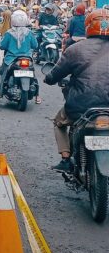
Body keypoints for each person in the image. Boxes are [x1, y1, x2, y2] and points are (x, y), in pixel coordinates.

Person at [43, 9, 109, 172]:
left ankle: (66, 160)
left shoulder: (75, 49)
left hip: (80, 106)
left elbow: (54, 75)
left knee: (59, 123)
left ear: (88, 27)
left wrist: (48, 78)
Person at [0, 10, 40, 105]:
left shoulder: (9, 33)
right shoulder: (29, 33)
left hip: (11, 60)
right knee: (33, 75)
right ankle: (37, 96)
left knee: (1, 74)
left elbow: (2, 46)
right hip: (27, 59)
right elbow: (35, 45)